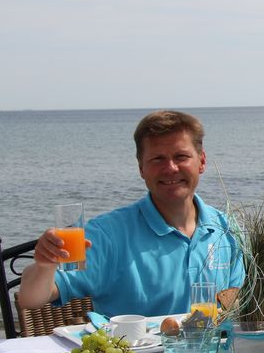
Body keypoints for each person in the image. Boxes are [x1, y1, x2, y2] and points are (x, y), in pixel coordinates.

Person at [18, 110, 244, 317]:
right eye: (158, 159)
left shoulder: (226, 229)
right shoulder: (108, 234)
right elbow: (32, 298)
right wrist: (44, 266)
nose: (171, 168)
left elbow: (240, 305)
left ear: (201, 161)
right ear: (141, 168)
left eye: (181, 157)